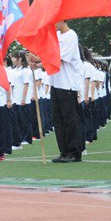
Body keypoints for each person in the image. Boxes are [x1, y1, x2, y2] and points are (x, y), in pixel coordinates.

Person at [48, 22, 84, 163]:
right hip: (55, 83)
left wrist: (41, 59)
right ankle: (64, 151)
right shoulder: (55, 35)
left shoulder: (71, 35)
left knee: (70, 120)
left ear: (62, 19)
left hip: (67, 84)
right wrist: (38, 63)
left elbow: (61, 58)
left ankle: (74, 152)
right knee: (58, 120)